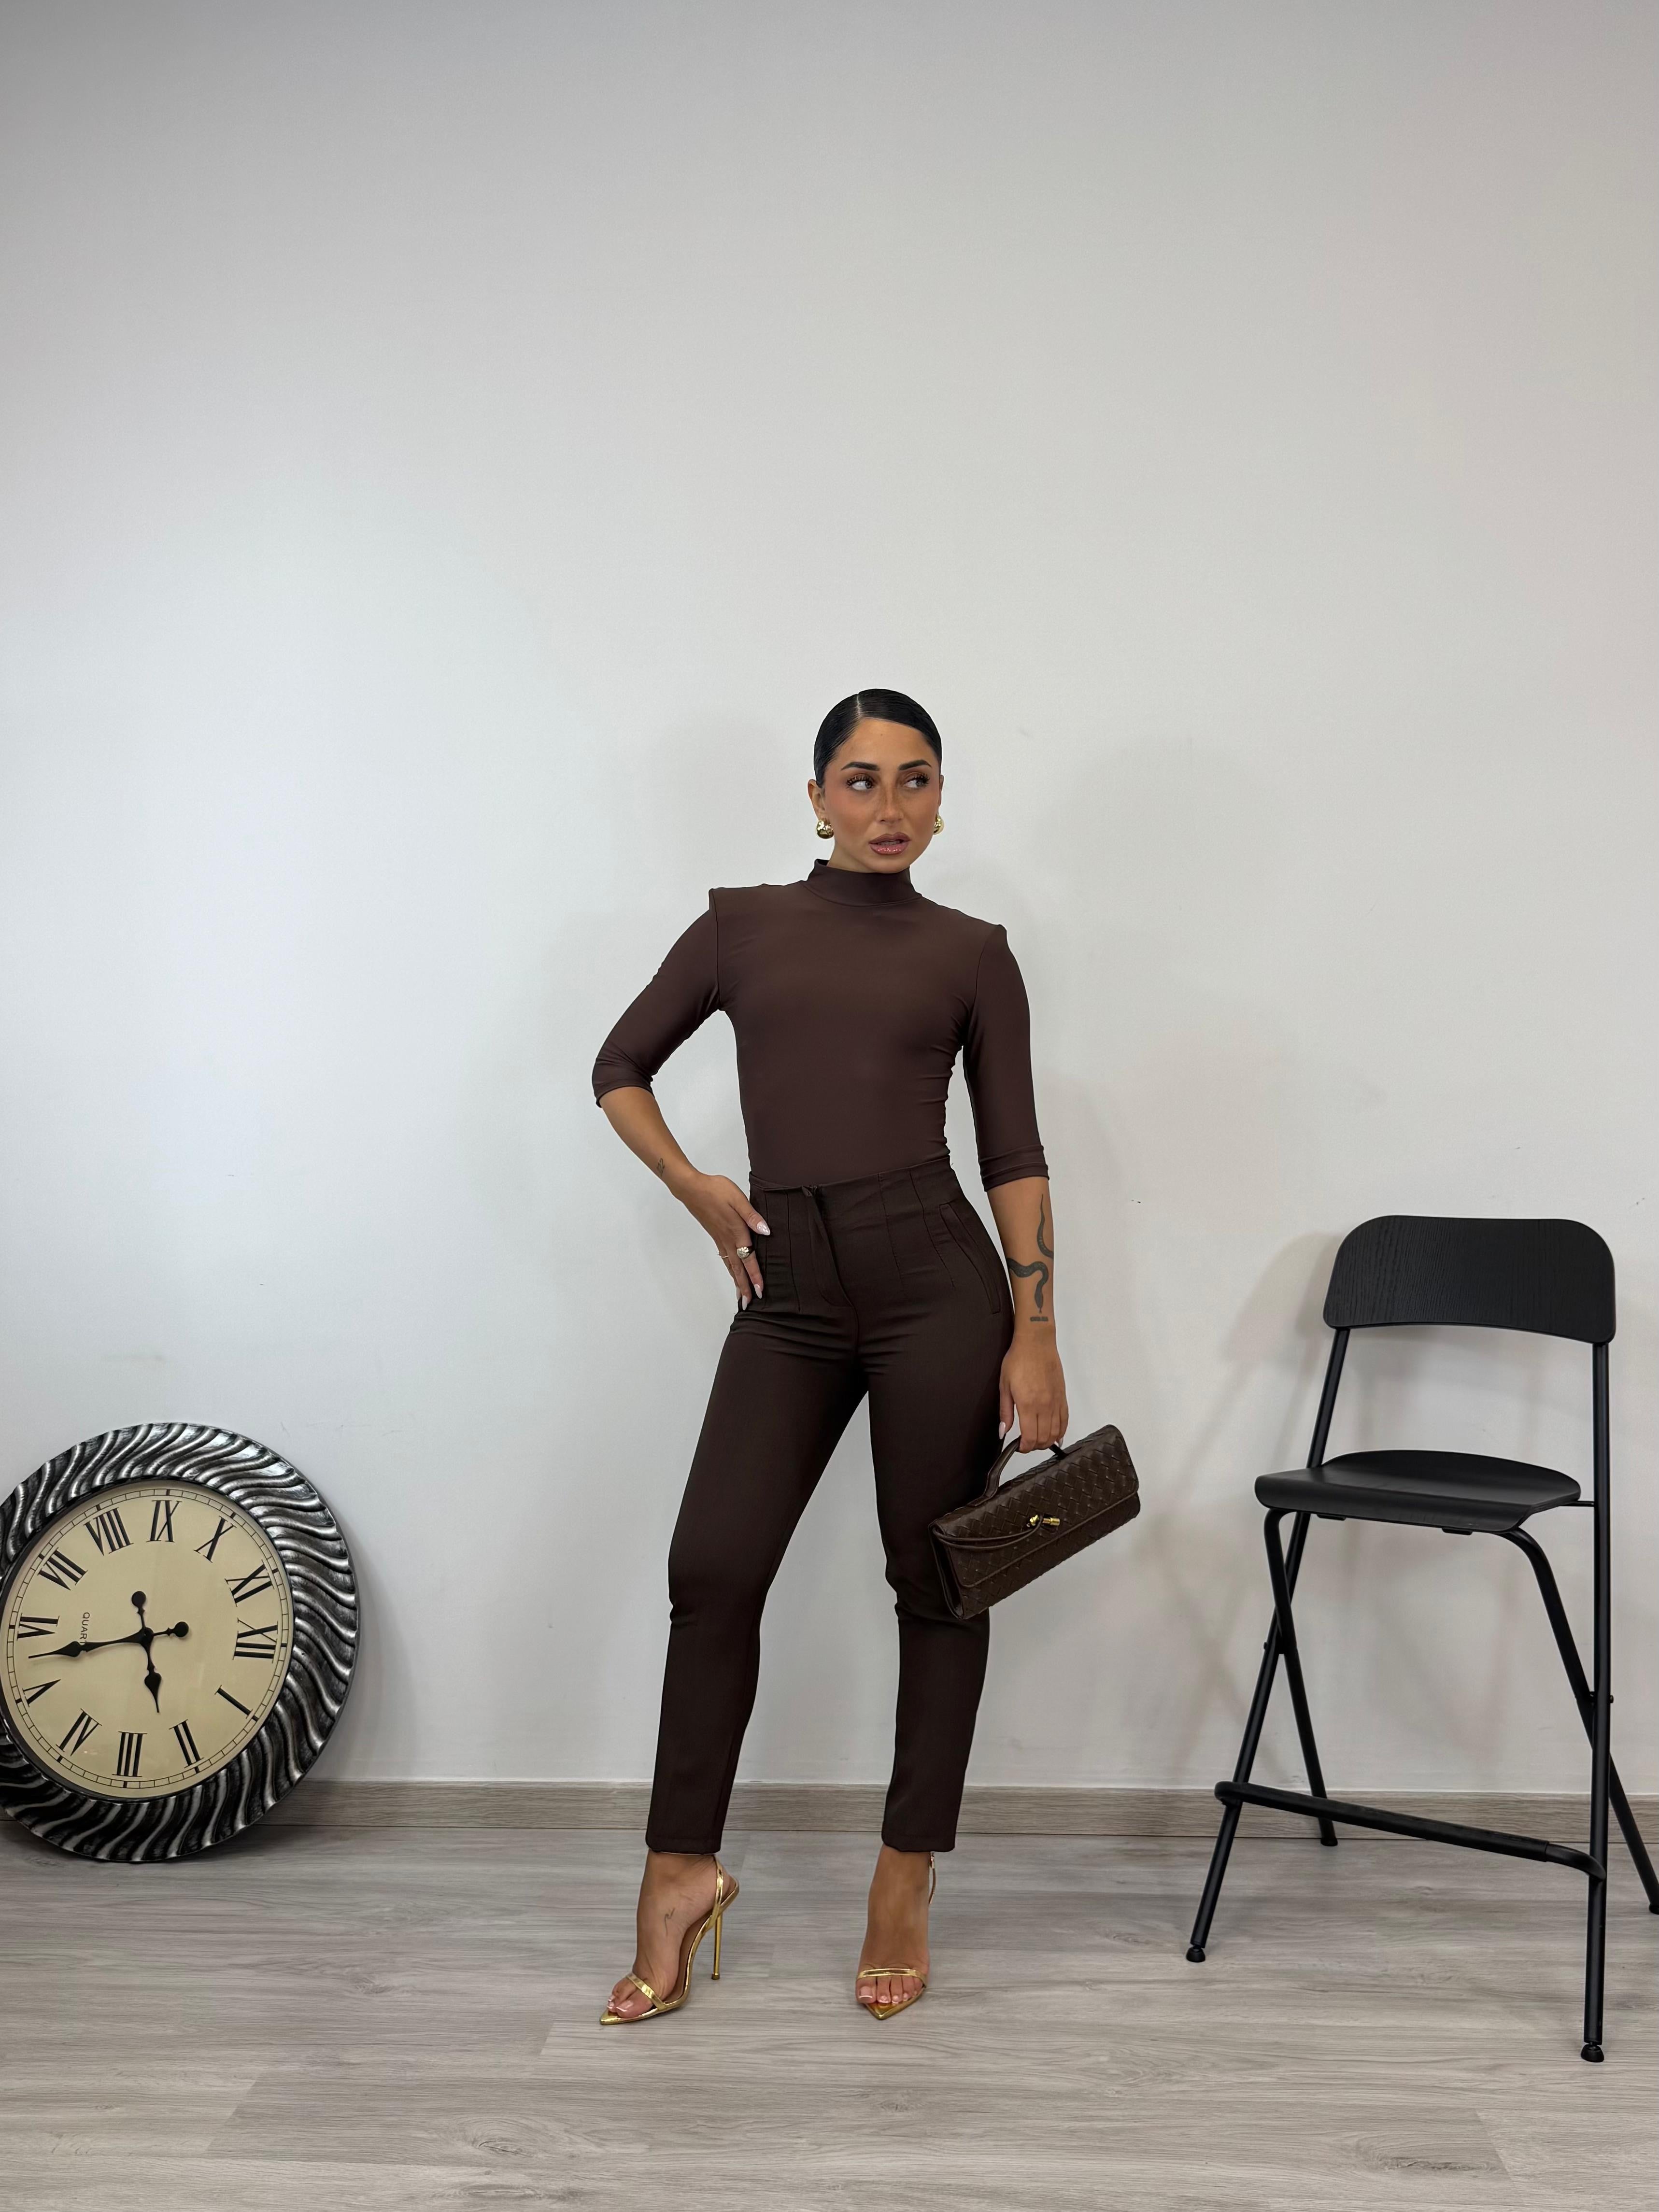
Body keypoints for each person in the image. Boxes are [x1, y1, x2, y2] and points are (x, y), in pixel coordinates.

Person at [591, 689, 1067, 2023]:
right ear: (815, 798)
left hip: (935, 1282)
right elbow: (619, 1065)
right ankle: (679, 1873)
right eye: (860, 781)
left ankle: (905, 1874)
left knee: (938, 1579)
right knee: (712, 1566)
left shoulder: (974, 954)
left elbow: (1014, 1153)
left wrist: (1035, 1329)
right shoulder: (738, 926)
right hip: (787, 1283)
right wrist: (695, 1187)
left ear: (941, 800)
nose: (889, 807)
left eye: (916, 780)